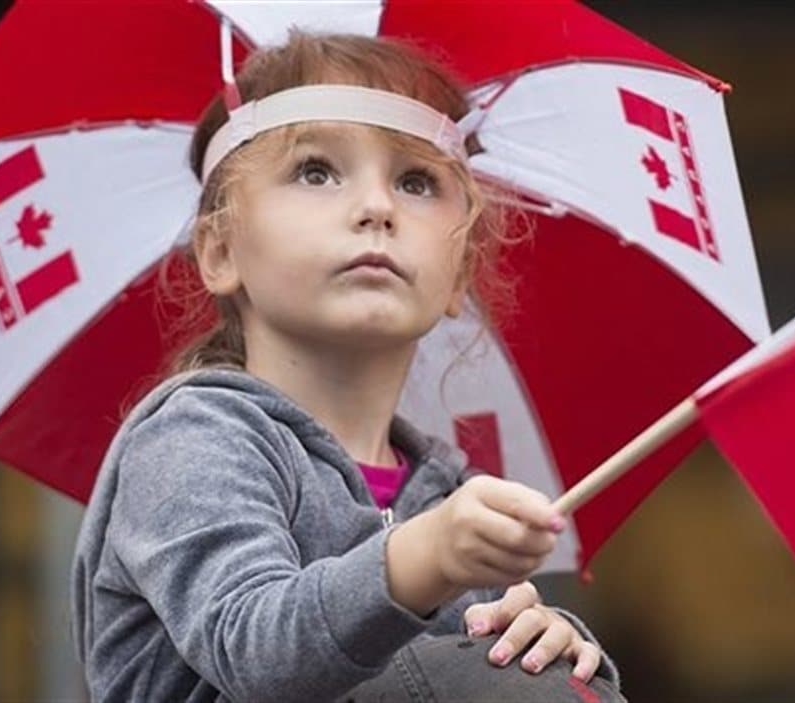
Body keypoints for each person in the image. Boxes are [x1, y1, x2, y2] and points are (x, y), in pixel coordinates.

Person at [71, 30, 625, 703]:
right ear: (219, 249)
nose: (376, 208)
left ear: (460, 275)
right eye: (316, 171)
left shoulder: (451, 494)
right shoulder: (191, 438)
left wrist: (545, 641)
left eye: (416, 181)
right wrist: (426, 558)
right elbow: (256, 651)